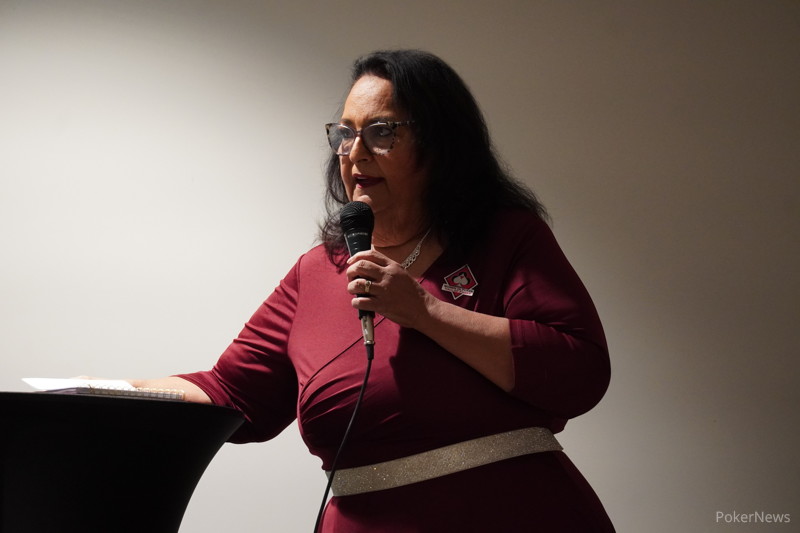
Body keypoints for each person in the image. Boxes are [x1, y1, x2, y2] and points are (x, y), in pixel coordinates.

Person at [131, 49, 615, 532]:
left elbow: (580, 371)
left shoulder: (506, 237)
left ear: (441, 143)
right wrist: (112, 393)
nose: (355, 152)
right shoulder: (316, 271)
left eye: (382, 132)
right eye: (345, 134)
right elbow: (232, 393)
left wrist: (424, 310)